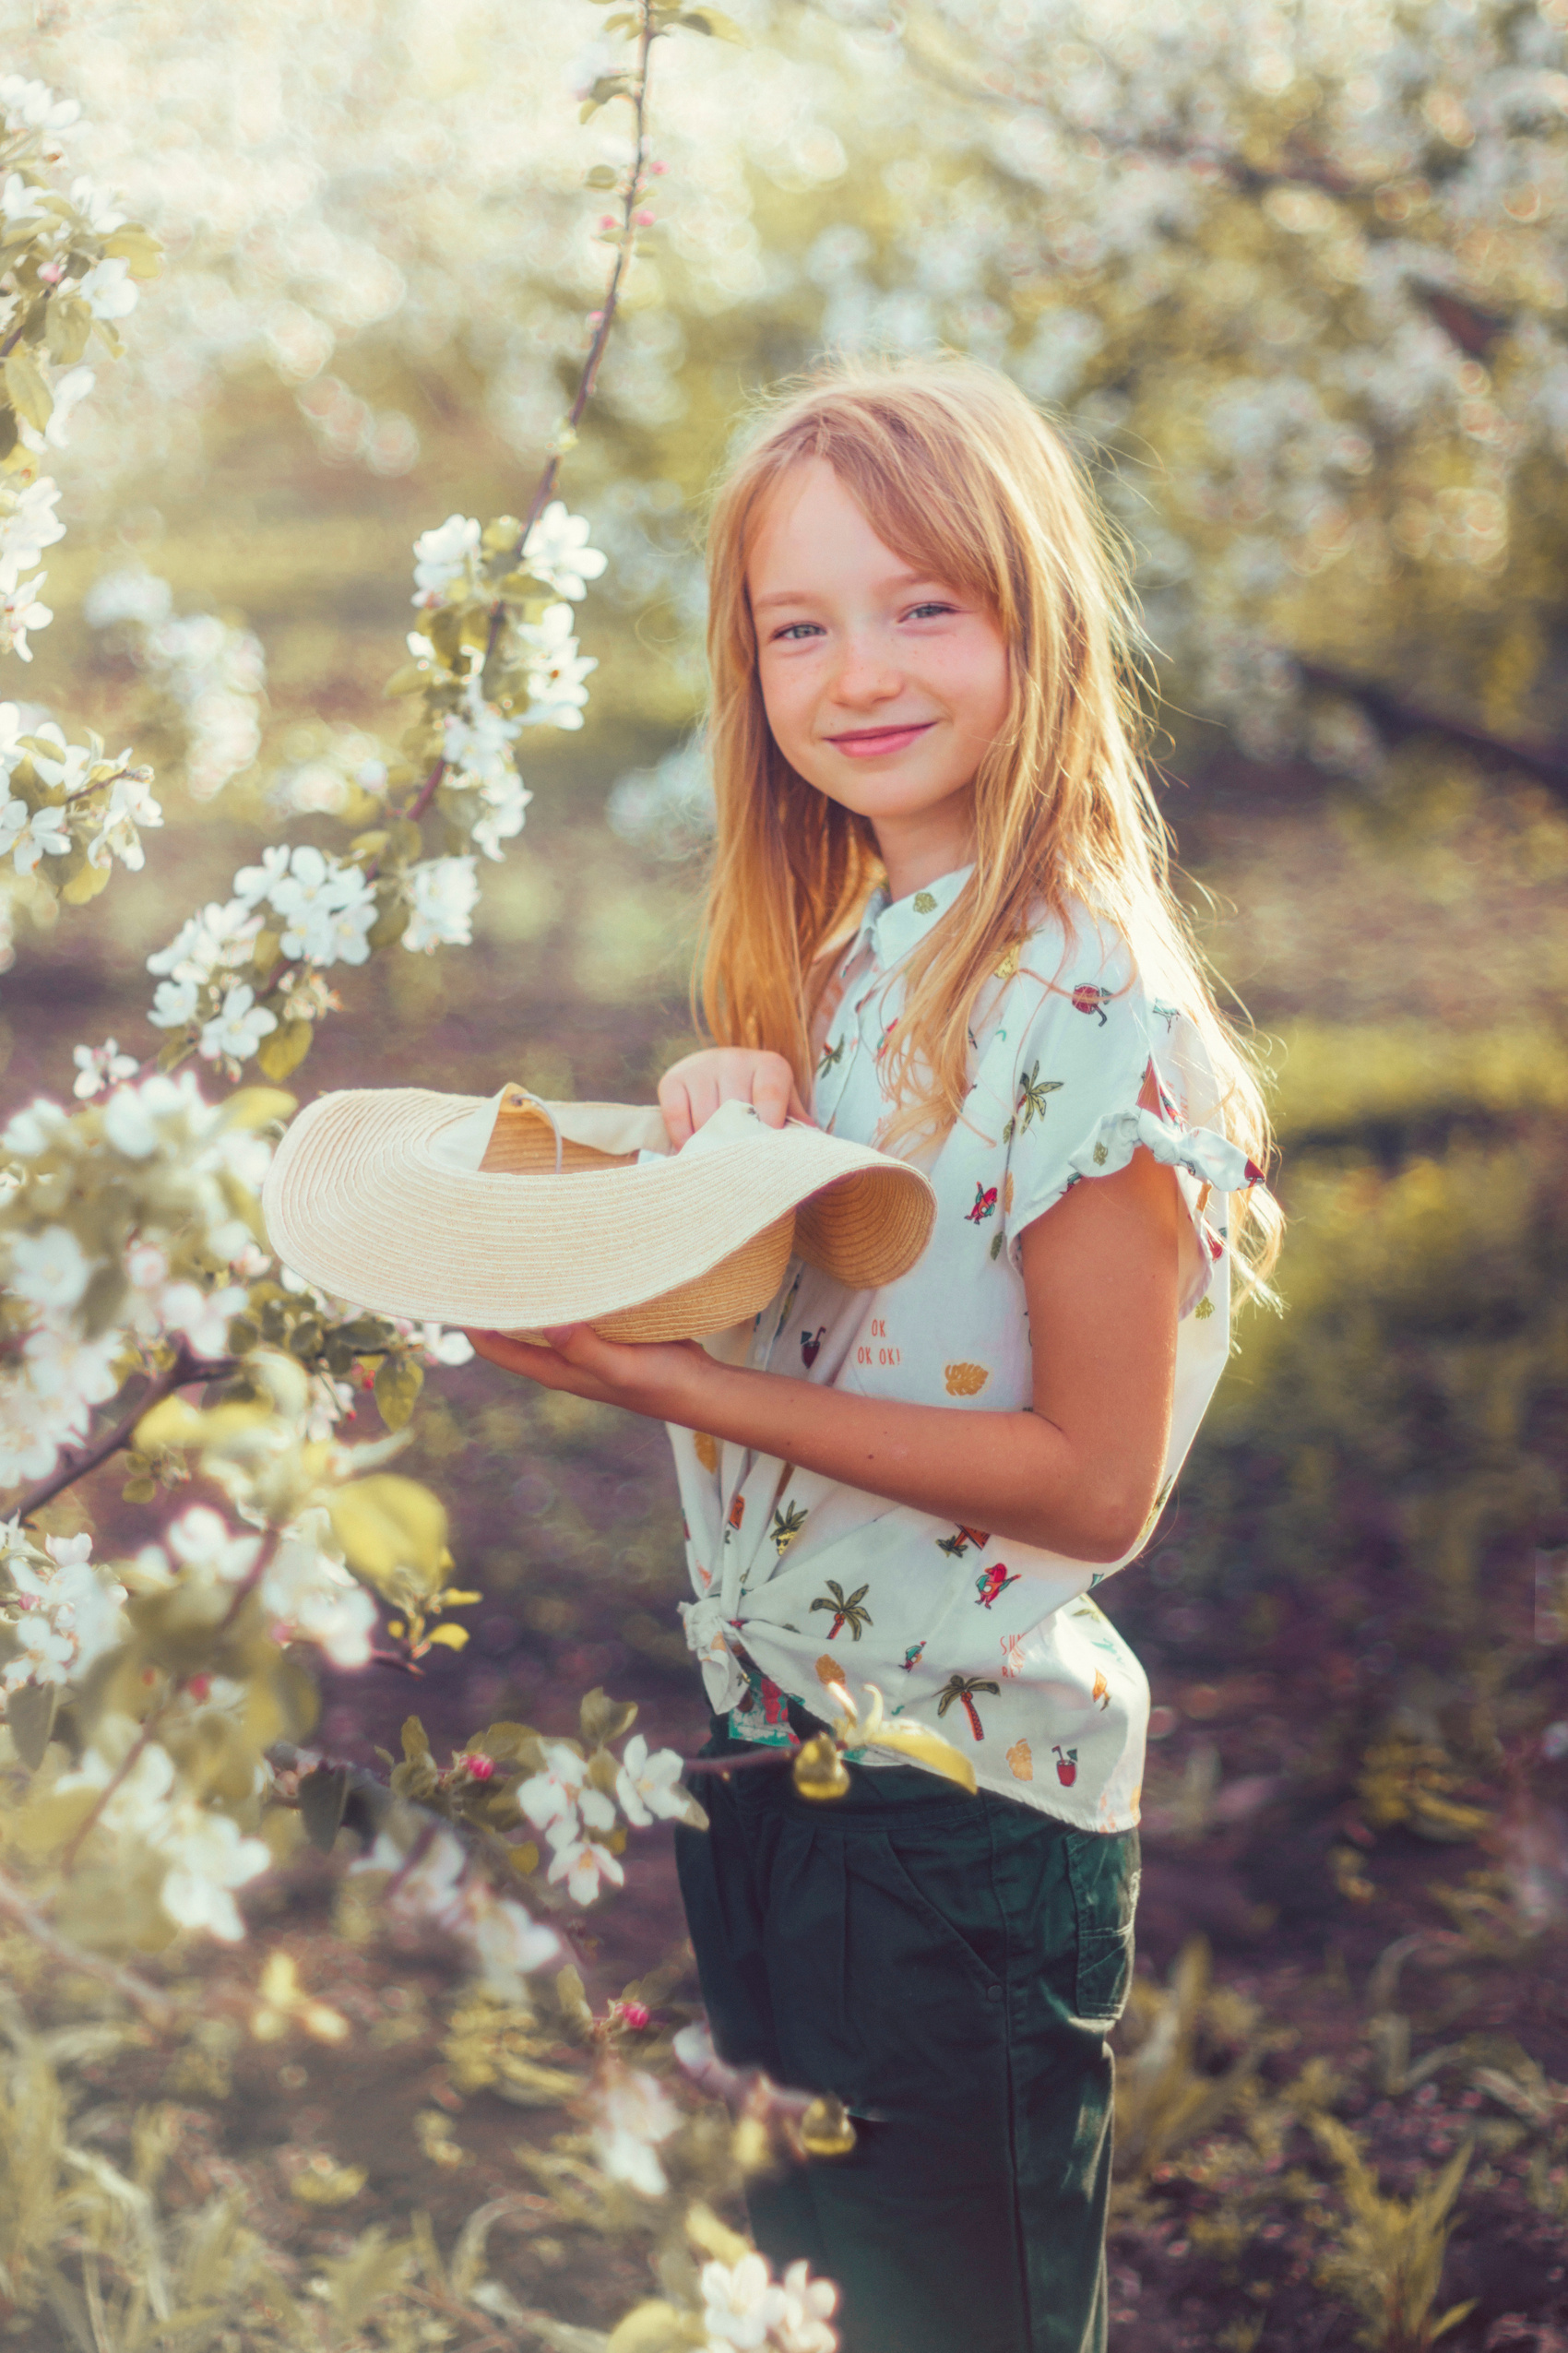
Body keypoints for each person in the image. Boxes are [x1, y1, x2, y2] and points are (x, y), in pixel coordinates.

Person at [467, 355, 1280, 2353]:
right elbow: (849, 1295)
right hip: (786, 1770)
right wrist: (719, 1111)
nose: (857, 671)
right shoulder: (863, 956)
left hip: (956, 1822)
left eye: (925, 604)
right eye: (797, 624)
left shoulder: (1087, 999)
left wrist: (681, 1387)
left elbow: (1093, 1480)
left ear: (1037, 613)